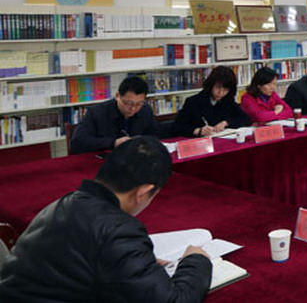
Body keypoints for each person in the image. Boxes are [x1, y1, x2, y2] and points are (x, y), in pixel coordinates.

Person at [0, 137, 212, 302]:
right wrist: (195, 260)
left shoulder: (66, 203)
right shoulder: (118, 230)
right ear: (143, 192)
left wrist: (136, 262)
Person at [70, 76, 159, 154]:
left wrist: (142, 140)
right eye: (129, 103)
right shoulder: (96, 112)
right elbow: (77, 143)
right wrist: (113, 143)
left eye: (139, 104)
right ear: (117, 96)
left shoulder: (145, 110)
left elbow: (154, 135)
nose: (133, 108)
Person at [171, 66, 249, 138]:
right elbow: (177, 127)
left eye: (225, 89)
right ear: (211, 85)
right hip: (200, 143)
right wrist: (198, 131)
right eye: (218, 87)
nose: (221, 93)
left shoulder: (227, 100)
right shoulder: (194, 102)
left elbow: (245, 119)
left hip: (221, 140)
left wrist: (226, 122)